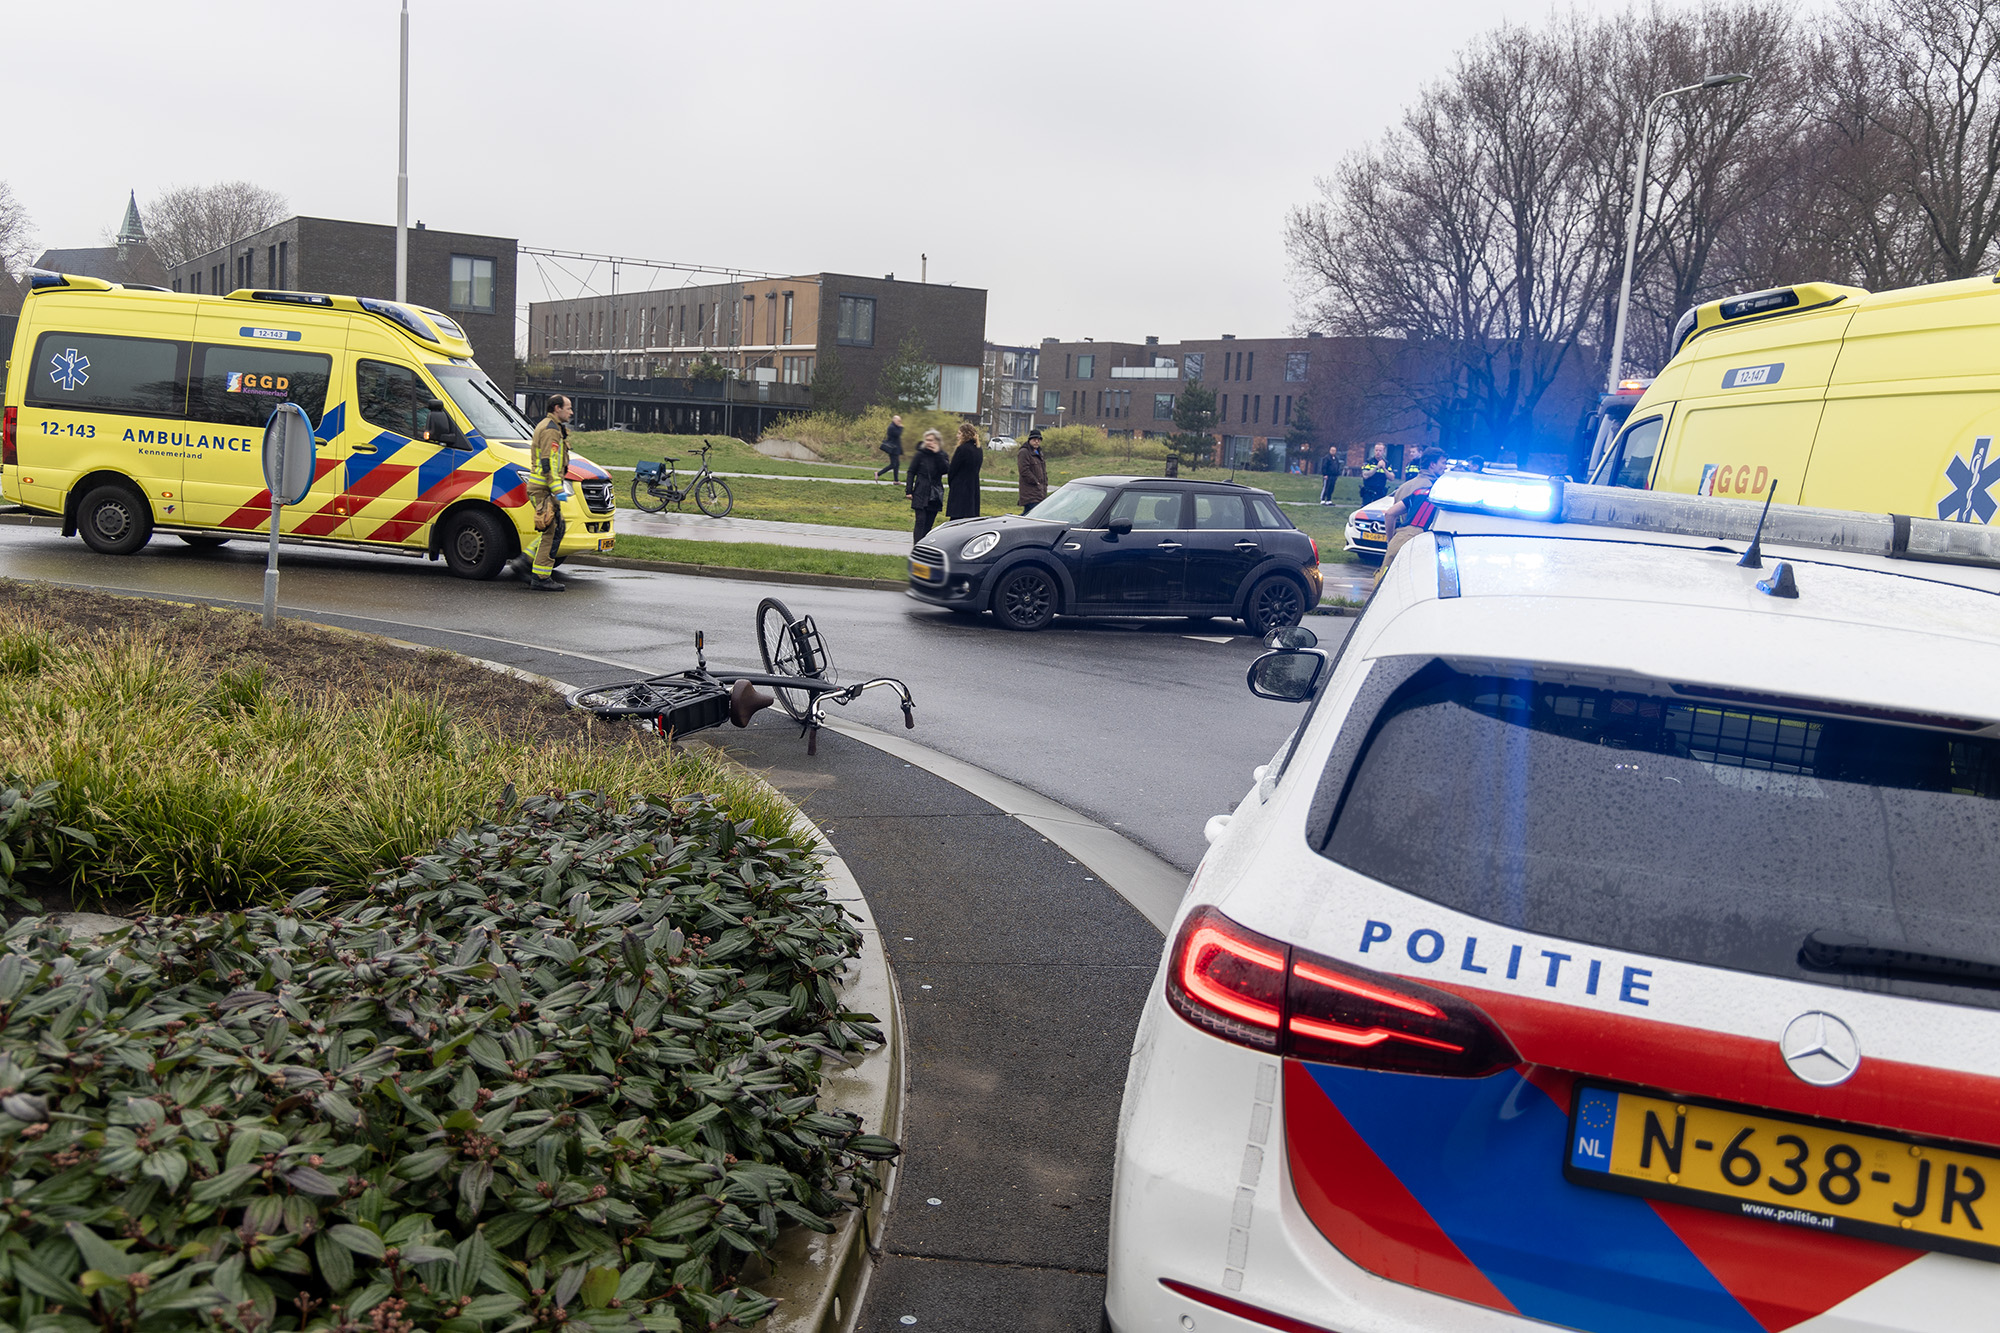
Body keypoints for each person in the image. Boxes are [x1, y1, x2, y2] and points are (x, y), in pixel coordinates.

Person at [1373, 447, 1449, 589]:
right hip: (1418, 540)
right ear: (1432, 465)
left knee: (1383, 583)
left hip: (1399, 537)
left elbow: (1390, 514)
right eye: (1443, 463)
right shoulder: (1432, 489)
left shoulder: (1403, 486)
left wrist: (1391, 540)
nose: (1445, 467)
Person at [522, 394, 572, 591]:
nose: (571, 412)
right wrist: (557, 488)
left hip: (544, 487)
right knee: (550, 532)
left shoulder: (551, 426)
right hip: (544, 488)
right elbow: (548, 462)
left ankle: (528, 564)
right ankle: (541, 578)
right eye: (568, 408)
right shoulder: (551, 430)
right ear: (557, 408)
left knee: (555, 529)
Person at [907, 430, 947, 541]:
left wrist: (937, 453)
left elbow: (945, 470)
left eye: (931, 440)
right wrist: (909, 490)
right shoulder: (920, 454)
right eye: (927, 440)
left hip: (934, 493)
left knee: (929, 524)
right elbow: (911, 472)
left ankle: (923, 546)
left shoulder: (942, 455)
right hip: (920, 491)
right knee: (920, 521)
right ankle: (917, 548)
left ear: (937, 441)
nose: (929, 442)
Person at [946, 421, 983, 521]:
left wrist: (952, 484)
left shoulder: (962, 449)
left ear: (965, 434)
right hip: (973, 487)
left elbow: (953, 469)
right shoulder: (978, 449)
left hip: (960, 488)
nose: (957, 436)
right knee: (968, 519)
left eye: (959, 433)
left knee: (955, 520)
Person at [1017, 427, 1048, 514]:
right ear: (1030, 440)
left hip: (1040, 492)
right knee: (1036, 514)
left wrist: (1045, 484)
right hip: (1030, 492)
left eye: (1039, 440)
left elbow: (1043, 470)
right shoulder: (1024, 452)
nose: (1037, 442)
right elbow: (1024, 470)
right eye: (1034, 439)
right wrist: (1035, 481)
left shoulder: (1039, 453)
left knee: (1029, 515)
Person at [877, 413, 904, 482]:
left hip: (896, 448)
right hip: (892, 449)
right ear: (894, 420)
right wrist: (901, 427)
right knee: (893, 464)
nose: (899, 423)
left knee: (897, 465)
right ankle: (878, 473)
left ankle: (896, 480)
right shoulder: (892, 427)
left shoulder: (895, 427)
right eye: (898, 421)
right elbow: (898, 434)